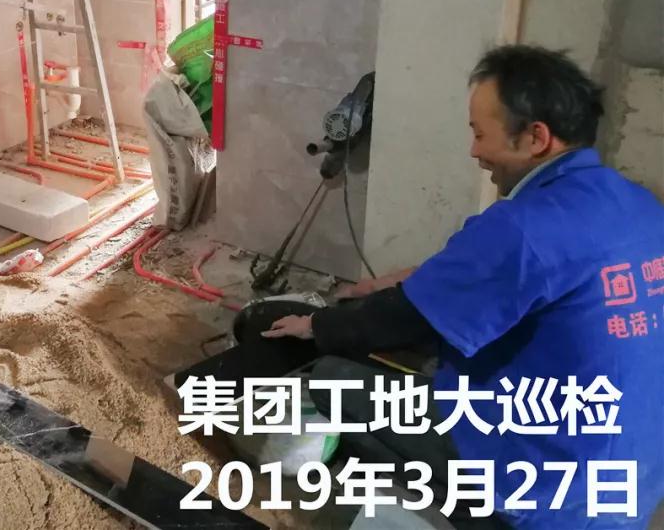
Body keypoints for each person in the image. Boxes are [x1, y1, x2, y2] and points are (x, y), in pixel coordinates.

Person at [249, 45, 664, 528]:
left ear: (536, 137)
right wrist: (391, 283)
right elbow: (495, 273)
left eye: (480, 134)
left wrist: (317, 325)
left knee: (332, 377)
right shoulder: (638, 206)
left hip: (545, 491)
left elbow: (403, 320)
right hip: (632, 483)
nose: (474, 152)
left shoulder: (524, 226)